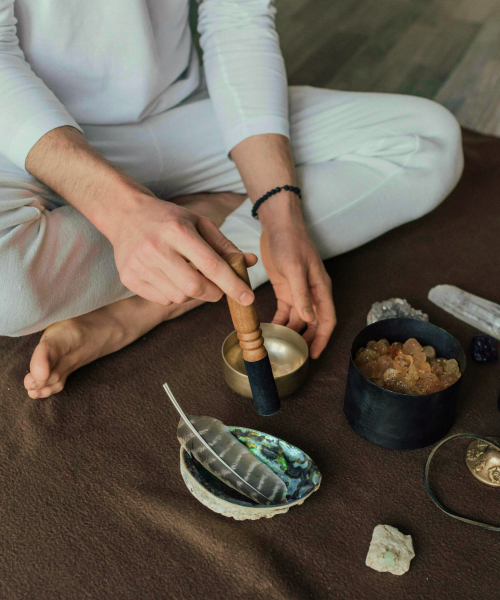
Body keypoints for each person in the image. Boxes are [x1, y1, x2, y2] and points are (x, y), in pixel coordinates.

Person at [0, 0, 463, 399]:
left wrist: (280, 214)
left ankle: (137, 309)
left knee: (429, 140)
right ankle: (209, 216)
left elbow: (236, 19)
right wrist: (120, 212)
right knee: (7, 291)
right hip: (40, 143)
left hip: (184, 117)